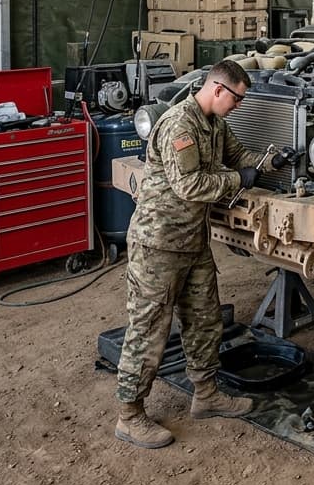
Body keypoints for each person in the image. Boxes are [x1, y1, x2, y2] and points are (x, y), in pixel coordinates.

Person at [115, 61, 292, 449]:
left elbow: (239, 155)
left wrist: (267, 164)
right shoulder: (181, 124)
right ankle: (129, 415)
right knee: (149, 329)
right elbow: (189, 185)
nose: (239, 106)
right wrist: (236, 180)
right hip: (158, 245)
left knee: (205, 320)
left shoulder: (214, 123)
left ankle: (206, 394)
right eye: (237, 98)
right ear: (217, 89)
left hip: (192, 241)